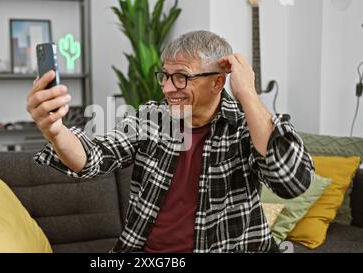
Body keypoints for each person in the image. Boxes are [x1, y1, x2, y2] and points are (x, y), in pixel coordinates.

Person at [26, 30, 314, 253]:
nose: (166, 87)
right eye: (165, 76)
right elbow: (92, 158)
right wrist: (54, 129)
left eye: (180, 77)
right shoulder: (150, 119)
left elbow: (291, 182)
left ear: (217, 82)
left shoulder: (245, 125)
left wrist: (248, 94)